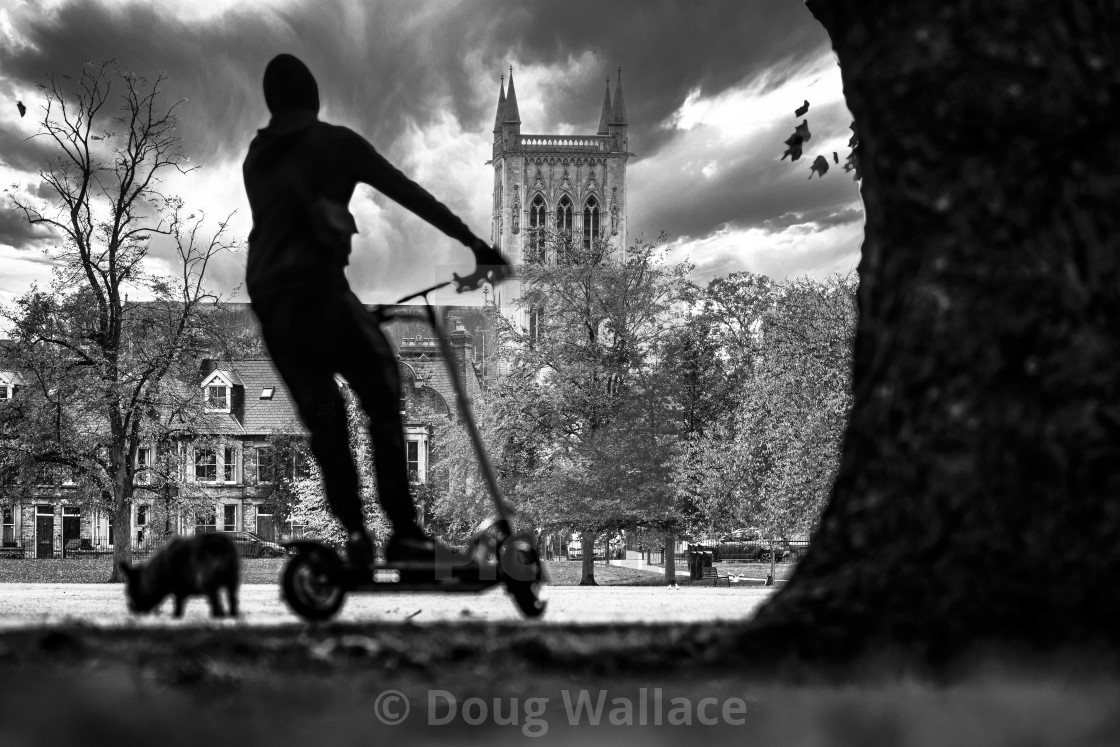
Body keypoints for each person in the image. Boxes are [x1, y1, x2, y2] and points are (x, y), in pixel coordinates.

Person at [242, 54, 507, 567]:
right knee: (383, 393)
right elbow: (407, 192)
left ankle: (356, 537)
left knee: (325, 415)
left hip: (272, 303)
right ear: (314, 96)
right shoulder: (334, 144)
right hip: (317, 292)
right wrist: (473, 241)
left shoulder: (257, 155)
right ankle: (405, 535)